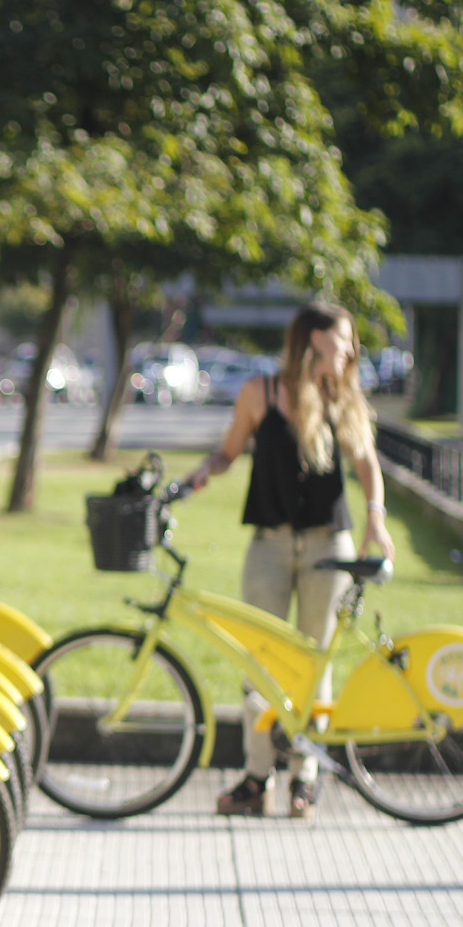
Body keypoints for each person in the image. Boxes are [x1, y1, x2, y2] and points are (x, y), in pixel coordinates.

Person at [184, 303, 395, 820]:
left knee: (313, 659)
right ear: (306, 346)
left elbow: (367, 463)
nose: (345, 352)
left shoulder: (341, 397)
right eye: (333, 343)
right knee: (259, 662)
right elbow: (231, 449)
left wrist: (375, 518)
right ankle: (258, 777)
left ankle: (307, 775)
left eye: (348, 343)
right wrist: (206, 469)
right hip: (270, 546)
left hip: (329, 545)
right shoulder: (261, 393)